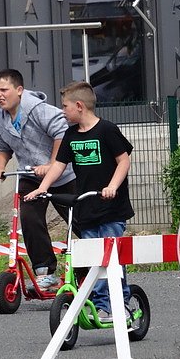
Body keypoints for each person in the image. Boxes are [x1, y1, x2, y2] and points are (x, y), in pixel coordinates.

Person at [25, 81, 134, 322]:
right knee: (93, 260)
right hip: (87, 208)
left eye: (64, 107)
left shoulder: (107, 130)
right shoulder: (71, 135)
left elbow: (123, 161)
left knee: (110, 260)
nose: (62, 112)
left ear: (79, 106)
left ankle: (119, 303)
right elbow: (59, 165)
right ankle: (98, 302)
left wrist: (112, 187)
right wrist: (42, 188)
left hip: (111, 209)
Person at [0, 69, 76, 290]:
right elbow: (2, 147)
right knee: (28, 218)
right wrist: (0, 167)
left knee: (80, 221)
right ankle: (45, 271)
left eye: (4, 90)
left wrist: (51, 165)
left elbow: (62, 133)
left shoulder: (39, 110)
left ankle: (93, 266)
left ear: (19, 90)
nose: (0, 95)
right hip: (31, 174)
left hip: (63, 174)